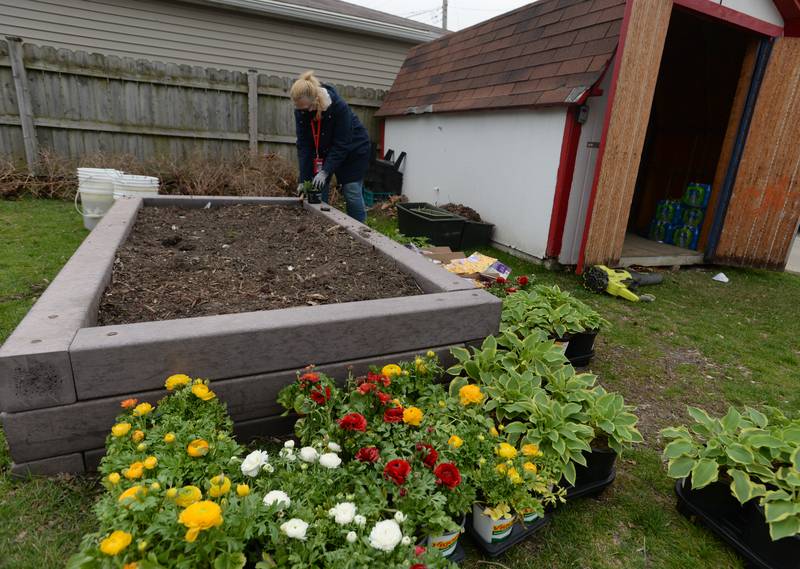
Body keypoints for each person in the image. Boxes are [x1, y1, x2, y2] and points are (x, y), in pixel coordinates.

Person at [291, 70, 370, 222]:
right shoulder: (302, 111)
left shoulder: (339, 107)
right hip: (325, 151)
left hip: (354, 149)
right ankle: (322, 226)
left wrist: (326, 171)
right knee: (317, 189)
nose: (303, 112)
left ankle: (362, 231)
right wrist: (303, 178)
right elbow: (304, 146)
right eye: (299, 109)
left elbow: (342, 144)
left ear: (316, 100)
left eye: (306, 108)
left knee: (351, 190)